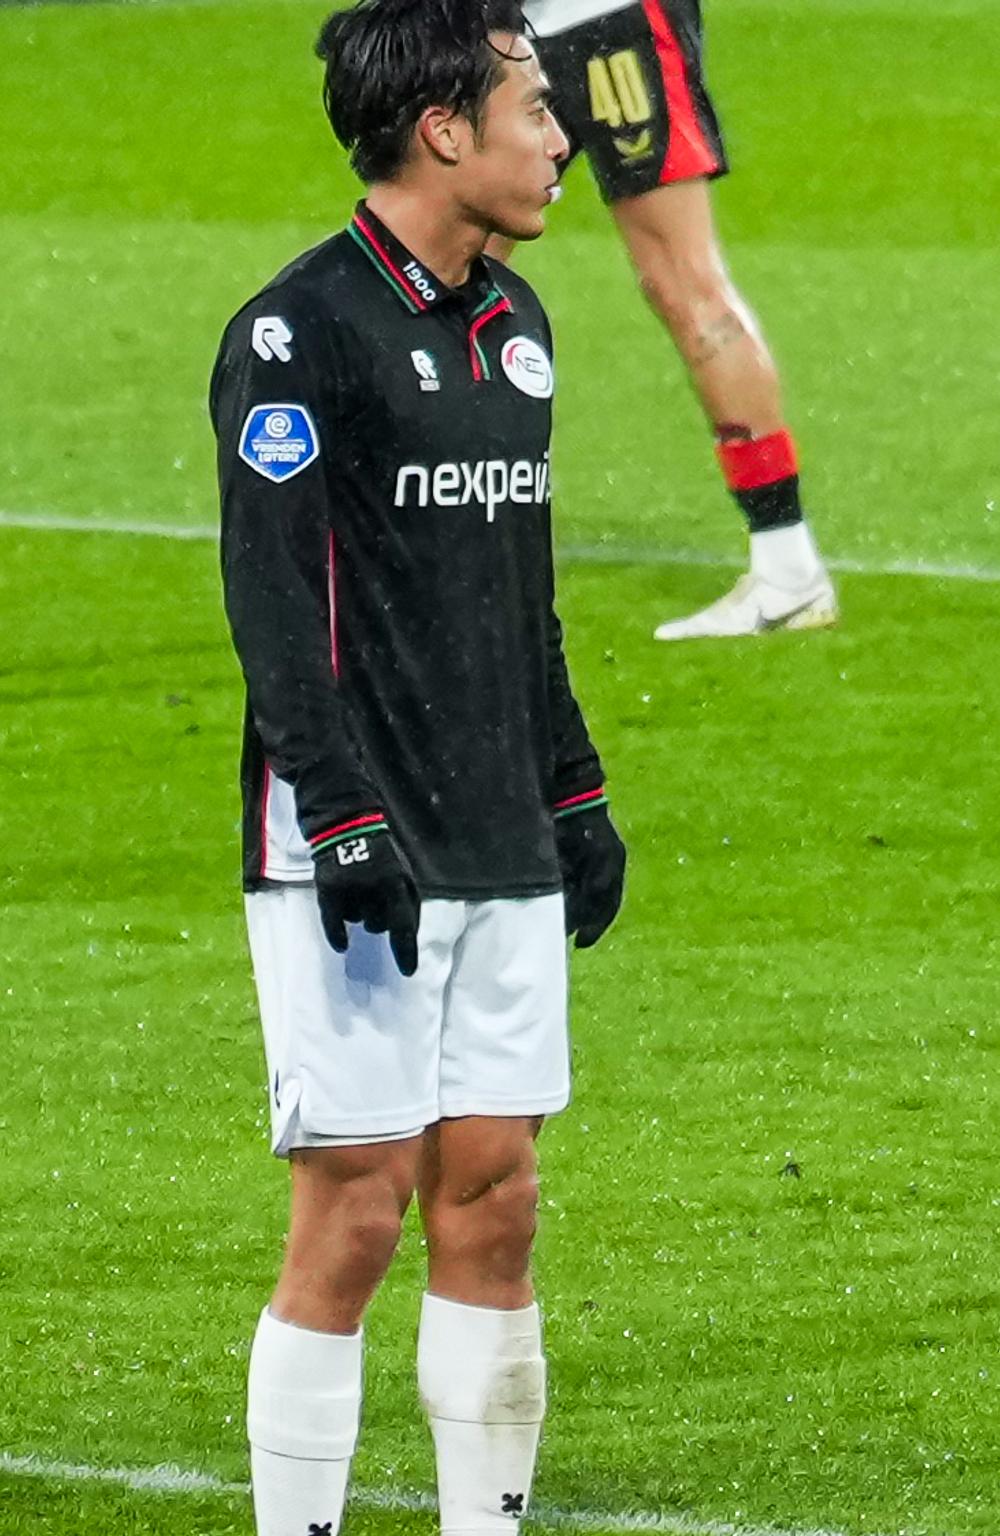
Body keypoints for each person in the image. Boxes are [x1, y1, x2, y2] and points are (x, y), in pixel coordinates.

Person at [215, 5, 627, 1532]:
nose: (559, 137)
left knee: (497, 1200)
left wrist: (574, 793)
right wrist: (335, 810)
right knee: (360, 1206)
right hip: (356, 842)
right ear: (444, 127)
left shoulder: (514, 323)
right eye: (533, 106)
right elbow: (272, 597)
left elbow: (520, 588)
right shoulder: (294, 334)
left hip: (501, 825)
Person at [522, 0, 839, 639]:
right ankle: (421, 521)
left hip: (610, 24)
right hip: (513, 33)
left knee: (683, 282)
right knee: (450, 259)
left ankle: (787, 568)